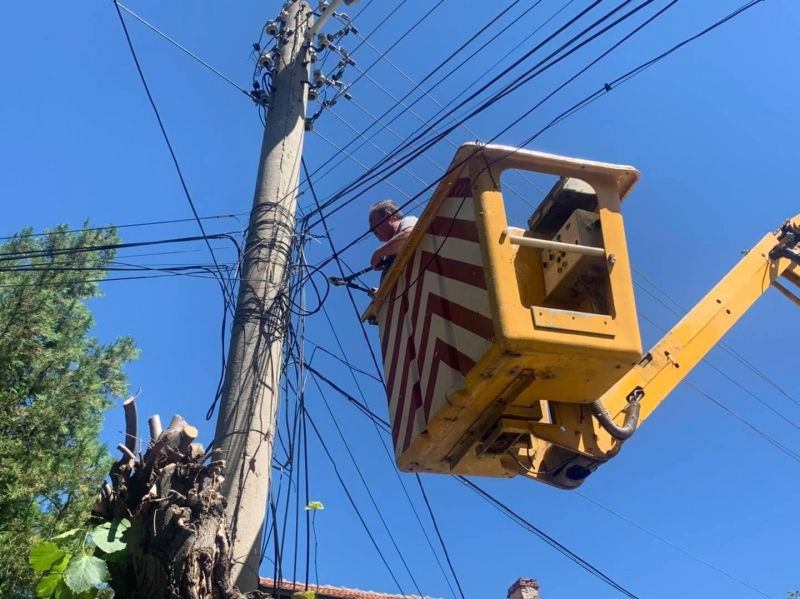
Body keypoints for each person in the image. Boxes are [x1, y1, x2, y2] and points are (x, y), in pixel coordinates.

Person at [368, 199, 418, 294]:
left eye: (373, 222)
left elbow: (409, 237)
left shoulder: (408, 221)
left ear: (388, 216)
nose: (371, 229)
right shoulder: (388, 254)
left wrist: (378, 253)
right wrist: (380, 293)